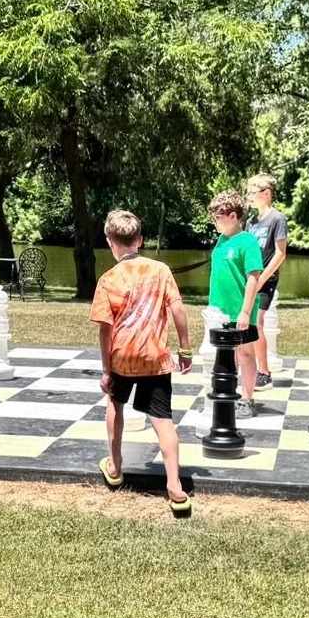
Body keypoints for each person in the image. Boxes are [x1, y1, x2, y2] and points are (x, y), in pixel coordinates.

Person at [89, 209, 194, 515]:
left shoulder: (108, 279)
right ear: (140, 240)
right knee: (163, 420)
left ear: (110, 242)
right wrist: (185, 349)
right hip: (155, 356)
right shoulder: (161, 270)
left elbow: (105, 329)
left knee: (115, 405)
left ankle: (115, 466)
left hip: (122, 356)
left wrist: (106, 370)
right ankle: (175, 487)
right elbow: (178, 308)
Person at [207, 189, 264, 418]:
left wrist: (245, 311)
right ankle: (227, 393)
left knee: (245, 354)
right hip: (218, 311)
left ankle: (247, 399)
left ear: (233, 216)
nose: (215, 222)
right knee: (225, 355)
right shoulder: (221, 241)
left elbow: (253, 277)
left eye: (218, 217)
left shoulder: (248, 242)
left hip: (239, 310)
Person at [245, 173, 289, 390]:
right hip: (249, 279)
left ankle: (264, 372)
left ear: (266, 194)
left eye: (252, 192)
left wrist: (261, 279)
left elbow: (280, 253)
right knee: (246, 323)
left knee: (257, 322)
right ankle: (248, 368)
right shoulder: (250, 222)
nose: (249, 197)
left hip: (266, 280)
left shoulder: (277, 219)